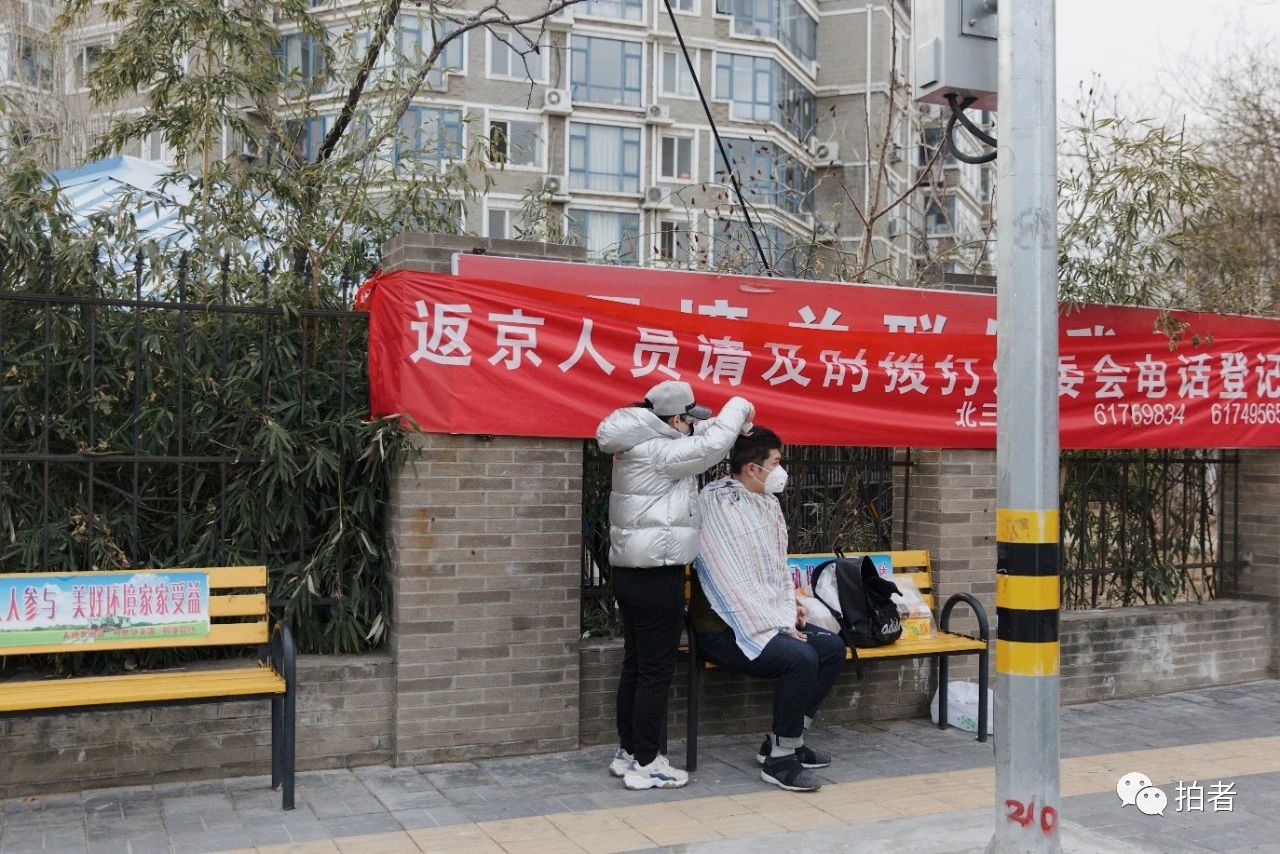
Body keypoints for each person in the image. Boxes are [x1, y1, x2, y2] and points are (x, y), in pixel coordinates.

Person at [596, 380, 754, 790]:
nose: (691, 426)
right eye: (688, 419)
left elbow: (704, 432)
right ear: (674, 421)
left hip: (631, 573)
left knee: (636, 664)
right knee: (655, 671)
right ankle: (649, 763)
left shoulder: (639, 440)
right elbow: (710, 446)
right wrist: (740, 405)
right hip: (657, 574)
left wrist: (729, 423)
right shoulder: (661, 452)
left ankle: (629, 751)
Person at [689, 426, 845, 793]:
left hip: (766, 621)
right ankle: (780, 761)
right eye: (775, 462)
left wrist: (788, 609)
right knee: (801, 657)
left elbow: (772, 569)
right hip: (723, 629)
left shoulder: (767, 503)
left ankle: (785, 740)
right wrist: (776, 621)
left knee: (832, 648)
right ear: (752, 468)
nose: (780, 470)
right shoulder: (718, 503)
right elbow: (730, 580)